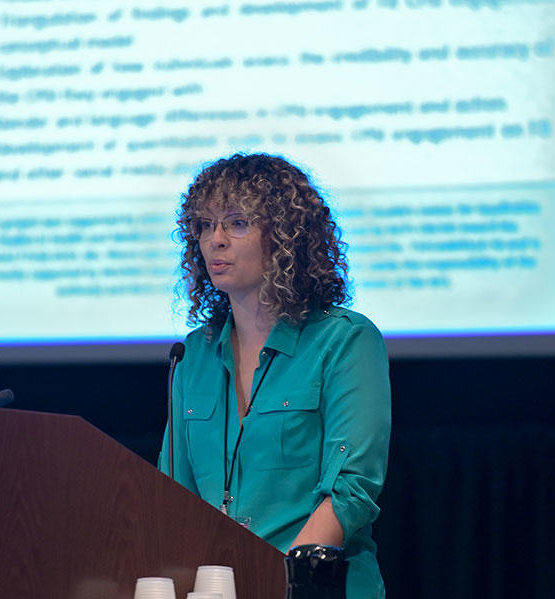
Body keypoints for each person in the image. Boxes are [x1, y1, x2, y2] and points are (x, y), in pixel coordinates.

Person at [159, 153, 390, 598]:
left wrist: (277, 582)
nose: (215, 241)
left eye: (237, 223)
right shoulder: (193, 355)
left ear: (285, 238)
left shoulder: (345, 341)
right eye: (205, 225)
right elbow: (172, 500)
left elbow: (350, 492)